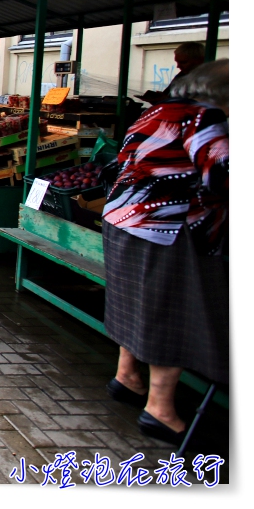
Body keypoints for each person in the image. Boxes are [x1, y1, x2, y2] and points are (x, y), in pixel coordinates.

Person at [102, 59, 228, 446]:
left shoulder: (154, 113)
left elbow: (119, 165)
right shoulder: (203, 119)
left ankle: (128, 375)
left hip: (122, 219)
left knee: (137, 301)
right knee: (170, 309)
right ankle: (161, 408)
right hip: (162, 228)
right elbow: (223, 174)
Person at [138, 41, 206, 104]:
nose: (178, 66)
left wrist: (168, 100)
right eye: (177, 62)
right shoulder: (182, 75)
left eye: (183, 62)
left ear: (200, 60)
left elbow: (196, 105)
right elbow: (169, 92)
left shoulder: (209, 79)